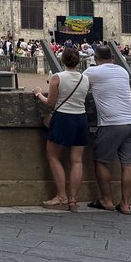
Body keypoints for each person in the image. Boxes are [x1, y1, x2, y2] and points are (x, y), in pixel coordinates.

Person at [32, 47, 89, 212]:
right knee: (77, 160)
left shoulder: (57, 77)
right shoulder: (85, 78)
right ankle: (73, 199)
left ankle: (62, 195)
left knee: (53, 156)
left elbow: (50, 103)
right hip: (81, 118)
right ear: (78, 61)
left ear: (62, 61)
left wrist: (38, 94)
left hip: (64, 118)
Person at [85, 44, 131, 214]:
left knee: (102, 162)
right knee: (129, 165)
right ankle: (125, 204)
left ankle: (106, 200)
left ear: (95, 59)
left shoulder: (92, 72)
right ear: (113, 58)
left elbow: (77, 87)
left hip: (111, 123)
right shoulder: (122, 71)